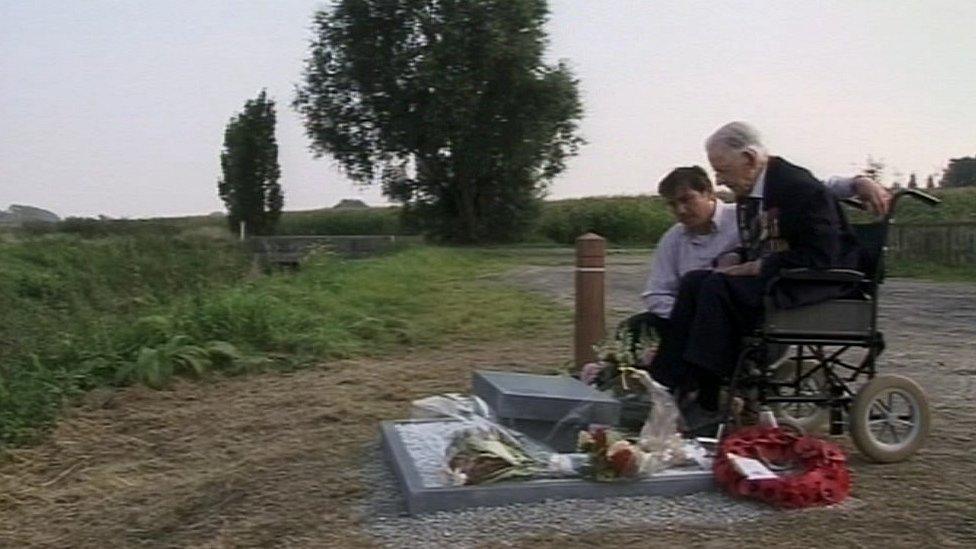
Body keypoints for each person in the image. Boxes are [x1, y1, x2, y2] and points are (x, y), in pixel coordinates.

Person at [650, 121, 865, 430]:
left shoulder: (797, 187)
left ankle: (706, 395)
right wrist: (738, 259)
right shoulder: (754, 192)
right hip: (780, 274)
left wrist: (757, 266)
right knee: (696, 280)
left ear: (749, 160)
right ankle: (666, 380)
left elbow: (821, 255)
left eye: (722, 171)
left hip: (813, 280)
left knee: (716, 287)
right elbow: (757, 244)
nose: (720, 181)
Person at [619, 164, 887, 369]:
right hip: (691, 315)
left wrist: (858, 182)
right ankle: (641, 386)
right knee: (635, 329)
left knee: (710, 298)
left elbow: (810, 190)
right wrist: (688, 315)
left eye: (686, 199)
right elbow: (656, 293)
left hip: (742, 316)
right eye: (672, 204)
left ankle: (699, 393)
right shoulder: (673, 239)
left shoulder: (746, 215)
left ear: (708, 192)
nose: (680, 210)